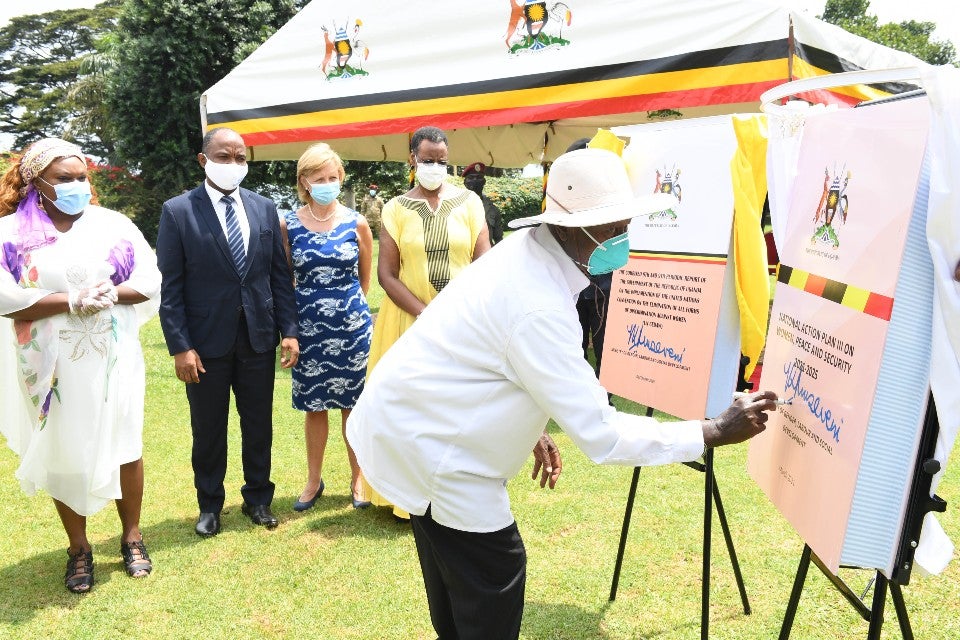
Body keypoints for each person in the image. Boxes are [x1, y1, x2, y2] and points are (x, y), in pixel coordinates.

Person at [347, 147, 779, 638]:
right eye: (614, 227)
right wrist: (713, 430)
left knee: (457, 580)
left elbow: (486, 357)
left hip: (413, 432)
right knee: (492, 575)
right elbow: (603, 434)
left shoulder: (527, 255)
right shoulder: (537, 304)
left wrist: (529, 426)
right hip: (434, 453)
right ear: (575, 229)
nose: (623, 239)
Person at [0, 138, 161, 593]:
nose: (76, 186)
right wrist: (70, 301)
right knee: (63, 449)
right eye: (64, 178)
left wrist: (106, 294)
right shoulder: (10, 234)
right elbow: (6, 299)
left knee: (125, 439)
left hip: (112, 357)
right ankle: (79, 549)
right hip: (50, 367)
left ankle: (131, 536)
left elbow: (148, 281)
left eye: (82, 177)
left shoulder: (115, 225)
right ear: (37, 182)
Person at [156, 127, 299, 537]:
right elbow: (172, 288)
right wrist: (181, 346)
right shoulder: (178, 211)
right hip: (205, 343)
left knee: (259, 424)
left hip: (257, 336)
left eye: (240, 156)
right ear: (203, 160)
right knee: (208, 428)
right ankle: (209, 506)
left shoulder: (264, 208)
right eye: (224, 156)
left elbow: (278, 275)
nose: (233, 164)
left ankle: (258, 499)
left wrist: (289, 330)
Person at [361, 125, 492, 518]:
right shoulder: (396, 208)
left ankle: (456, 495)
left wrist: (461, 312)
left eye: (441, 160)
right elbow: (387, 275)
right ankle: (410, 500)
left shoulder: (469, 202)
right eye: (427, 160)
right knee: (412, 412)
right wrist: (425, 313)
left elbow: (485, 263)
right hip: (408, 323)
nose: (435, 166)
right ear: (412, 160)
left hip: (462, 325)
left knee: (460, 409)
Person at [280, 143, 374, 511]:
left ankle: (358, 478)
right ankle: (313, 480)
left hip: (351, 328)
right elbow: (284, 278)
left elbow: (364, 281)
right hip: (308, 330)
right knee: (314, 407)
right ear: (304, 181)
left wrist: (345, 310)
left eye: (333, 177)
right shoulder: (287, 224)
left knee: (354, 405)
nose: (327, 184)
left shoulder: (357, 222)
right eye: (319, 178)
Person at [566, 137, 613, 379]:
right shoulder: (560, 201)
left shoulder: (610, 202)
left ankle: (604, 393)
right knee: (574, 345)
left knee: (604, 344)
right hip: (571, 288)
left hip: (602, 287)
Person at [461, 162, 504, 244]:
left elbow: (498, 239)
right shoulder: (455, 205)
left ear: (484, 181)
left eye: (479, 177)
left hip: (486, 254)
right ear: (465, 182)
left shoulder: (493, 209)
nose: (475, 180)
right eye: (471, 177)